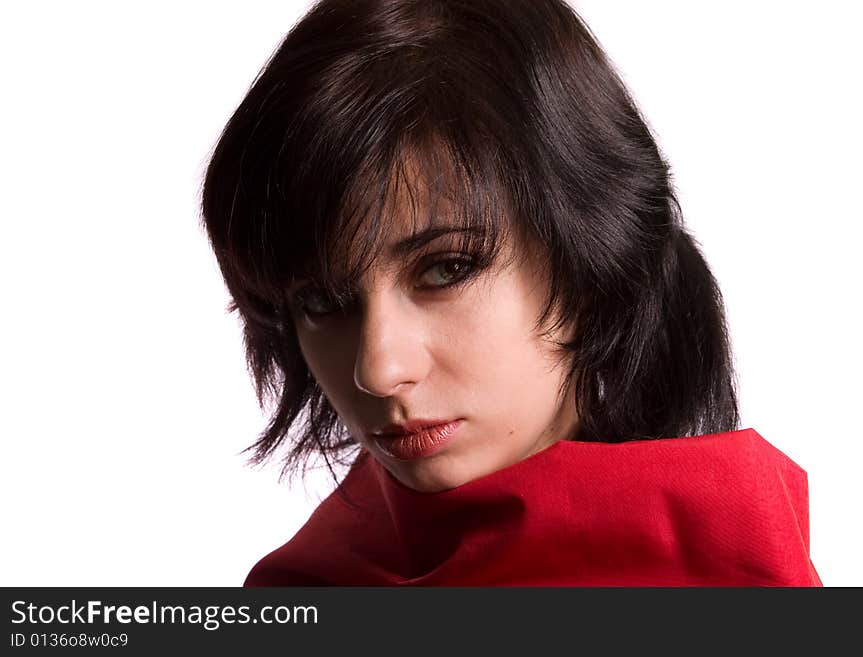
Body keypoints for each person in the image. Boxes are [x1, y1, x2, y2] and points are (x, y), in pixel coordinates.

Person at [200, 0, 822, 586]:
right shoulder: (301, 591)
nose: (379, 370)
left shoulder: (723, 583)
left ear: (590, 260)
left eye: (446, 270)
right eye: (323, 303)